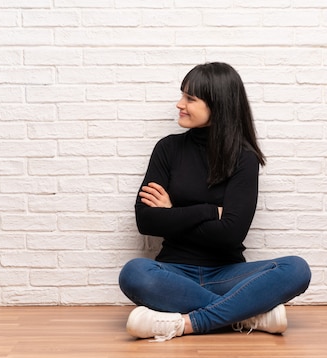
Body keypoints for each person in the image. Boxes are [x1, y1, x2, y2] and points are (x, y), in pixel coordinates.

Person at [118, 62, 311, 342]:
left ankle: (188, 323)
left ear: (217, 105)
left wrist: (172, 214)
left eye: (190, 99)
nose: (179, 104)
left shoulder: (244, 159)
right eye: (182, 95)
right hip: (174, 273)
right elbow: (146, 221)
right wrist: (208, 211)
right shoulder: (167, 149)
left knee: (296, 269)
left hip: (228, 274)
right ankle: (247, 315)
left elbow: (230, 235)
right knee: (134, 273)